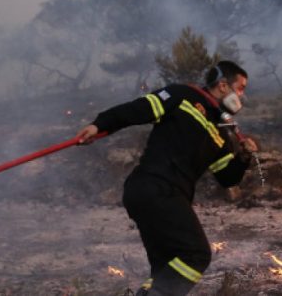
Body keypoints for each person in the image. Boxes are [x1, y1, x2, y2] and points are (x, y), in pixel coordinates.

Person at [75, 60, 256, 296]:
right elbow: (137, 110)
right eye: (240, 88)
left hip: (165, 194)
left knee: (164, 269)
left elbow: (227, 178)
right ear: (223, 86)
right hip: (155, 187)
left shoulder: (222, 130)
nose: (242, 95)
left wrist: (243, 157)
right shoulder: (183, 95)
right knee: (196, 254)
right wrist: (99, 124)